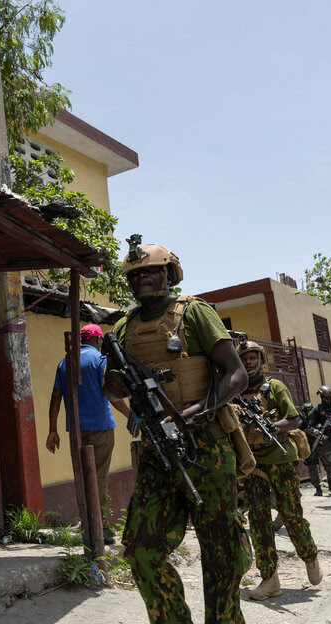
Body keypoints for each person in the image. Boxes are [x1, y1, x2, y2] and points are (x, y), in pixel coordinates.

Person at [102, 238, 252, 624]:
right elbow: (110, 384)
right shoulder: (124, 326)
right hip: (157, 450)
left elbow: (236, 374)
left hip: (207, 446)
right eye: (135, 275)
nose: (142, 280)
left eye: (151, 271)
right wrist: (115, 384)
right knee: (140, 549)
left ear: (169, 274)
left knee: (221, 553)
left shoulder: (195, 313)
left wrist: (192, 414)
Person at [237, 341, 322, 600]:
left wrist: (272, 427)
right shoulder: (235, 393)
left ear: (261, 360)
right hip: (253, 464)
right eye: (244, 359)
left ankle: (309, 556)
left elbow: (294, 419)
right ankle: (270, 579)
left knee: (291, 514)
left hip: (281, 459)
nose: (249, 363)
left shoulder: (274, 387)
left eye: (253, 358)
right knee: (260, 521)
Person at [46, 323, 129, 544]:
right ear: (98, 340)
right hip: (101, 428)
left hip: (76, 432)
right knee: (99, 476)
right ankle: (99, 528)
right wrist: (131, 416)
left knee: (83, 476)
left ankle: (88, 523)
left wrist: (52, 430)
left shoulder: (64, 363)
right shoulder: (100, 361)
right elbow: (111, 394)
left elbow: (56, 397)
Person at [298, 402, 331, 495]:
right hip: (310, 447)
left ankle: (330, 481)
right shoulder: (302, 423)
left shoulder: (319, 420)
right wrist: (304, 432)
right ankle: (318, 488)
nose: (308, 413)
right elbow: (297, 434)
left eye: (310, 411)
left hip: (321, 445)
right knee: (312, 468)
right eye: (307, 411)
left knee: (328, 465)